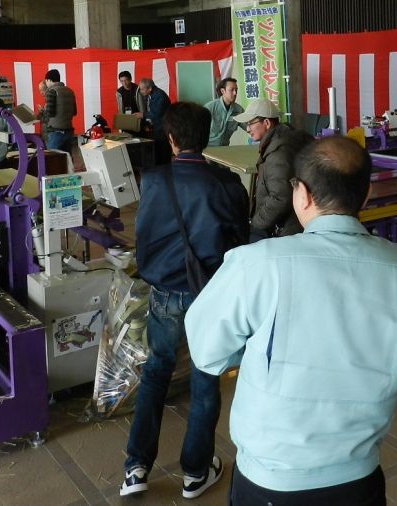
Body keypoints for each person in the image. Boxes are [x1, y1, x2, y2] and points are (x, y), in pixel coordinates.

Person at [185, 136, 397, 505]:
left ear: (301, 194)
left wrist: (257, 351)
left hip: (271, 480)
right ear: (365, 196)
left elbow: (207, 351)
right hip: (358, 477)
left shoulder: (257, 262)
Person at [120, 102, 249, 500]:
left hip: (165, 294)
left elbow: (143, 236)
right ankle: (195, 472)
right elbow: (239, 241)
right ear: (206, 136)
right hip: (210, 294)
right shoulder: (226, 183)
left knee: (156, 371)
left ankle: (136, 468)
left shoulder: (154, 181)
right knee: (205, 376)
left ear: (171, 138)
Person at [233, 98, 314, 242]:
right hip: (299, 225)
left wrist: (256, 223)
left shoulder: (279, 153)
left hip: (287, 231)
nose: (247, 129)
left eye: (250, 123)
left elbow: (280, 197)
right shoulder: (284, 139)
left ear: (267, 123)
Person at [136, 78, 172, 164]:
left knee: (162, 152)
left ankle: (164, 168)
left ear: (150, 88)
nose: (140, 91)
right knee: (158, 151)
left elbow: (156, 114)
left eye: (142, 89)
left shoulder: (159, 96)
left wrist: (143, 115)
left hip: (162, 128)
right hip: (157, 127)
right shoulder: (153, 94)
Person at [41, 69, 77, 152]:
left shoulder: (51, 91)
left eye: (46, 81)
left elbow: (50, 113)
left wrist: (42, 112)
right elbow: (74, 112)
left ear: (49, 80)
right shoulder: (70, 91)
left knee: (54, 157)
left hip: (56, 132)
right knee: (67, 158)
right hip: (69, 131)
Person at [204, 77, 244, 147]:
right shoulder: (210, 107)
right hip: (207, 148)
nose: (235, 93)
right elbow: (196, 129)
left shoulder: (238, 110)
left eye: (236, 90)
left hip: (224, 149)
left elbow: (249, 126)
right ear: (223, 91)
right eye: (231, 90)